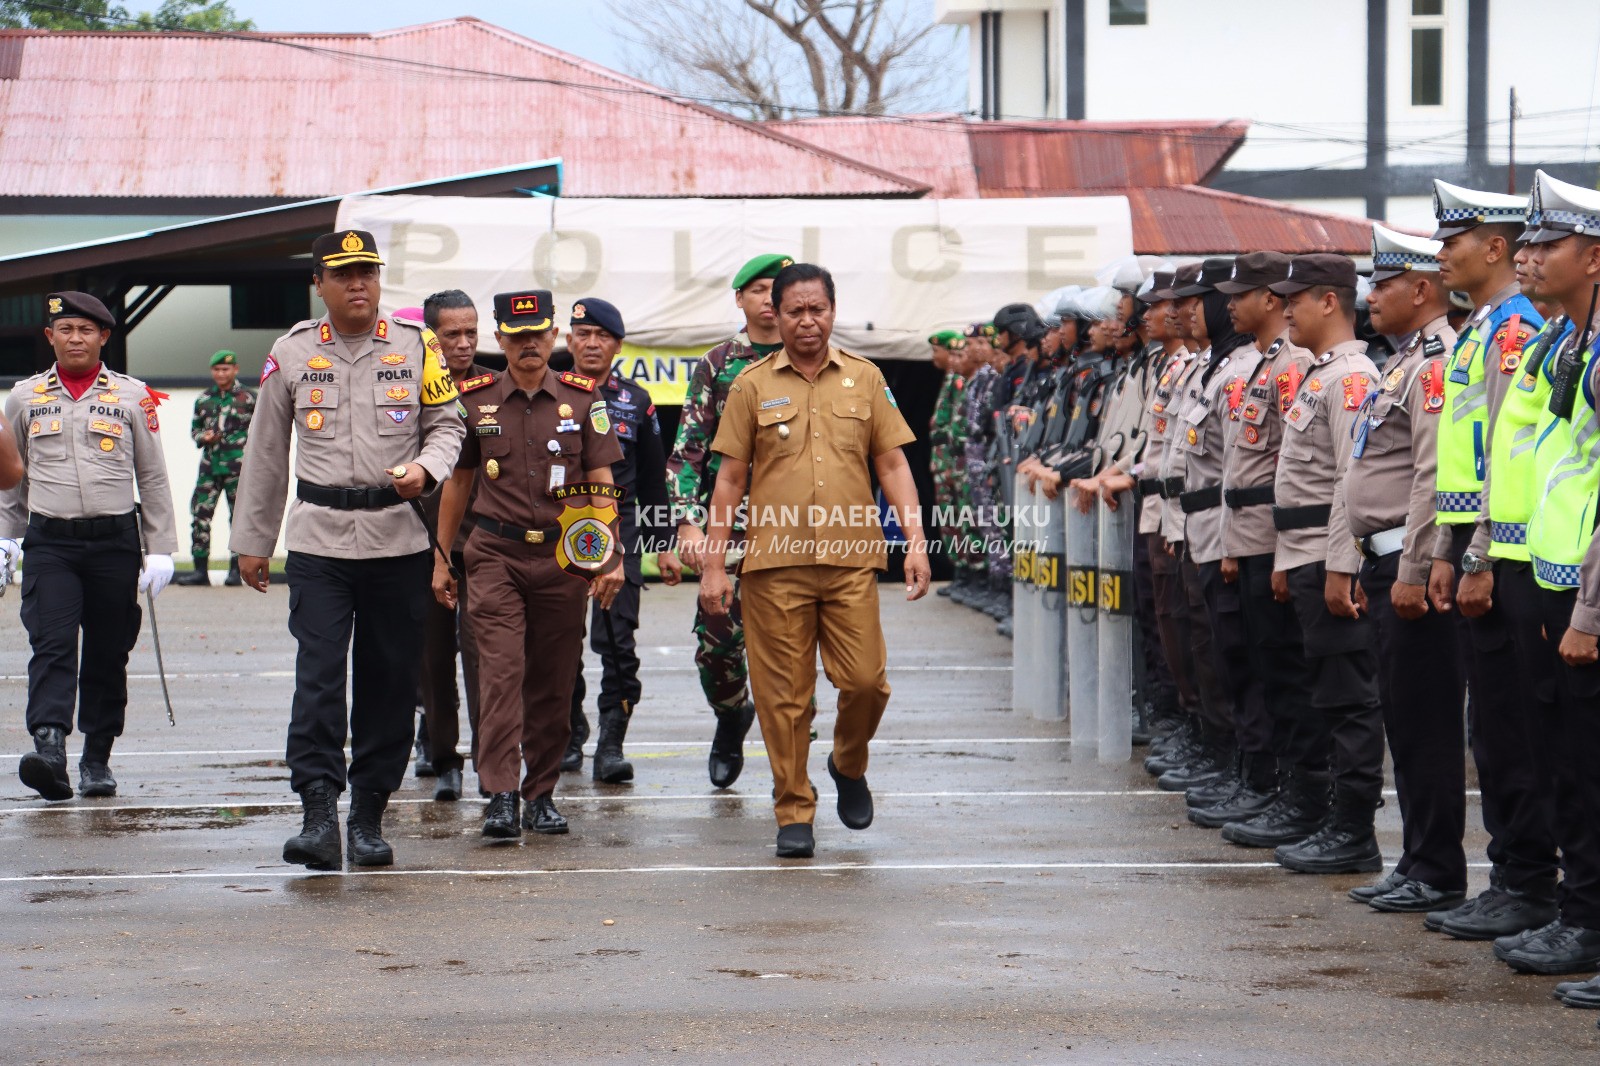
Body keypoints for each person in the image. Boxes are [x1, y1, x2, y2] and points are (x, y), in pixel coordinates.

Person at [231, 230, 467, 870]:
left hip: (397, 539)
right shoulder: (292, 352)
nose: (358, 283)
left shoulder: (417, 349)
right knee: (318, 679)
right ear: (320, 284)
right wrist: (253, 541)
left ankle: (367, 818)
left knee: (390, 681)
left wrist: (427, 466)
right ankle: (316, 815)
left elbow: (450, 425)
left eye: (367, 271)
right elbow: (265, 452)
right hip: (319, 542)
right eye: (343, 274)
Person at [701, 262, 929, 859]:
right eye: (795, 310)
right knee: (784, 697)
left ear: (833, 310)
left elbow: (894, 465)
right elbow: (728, 480)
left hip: (851, 559)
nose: (808, 321)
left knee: (865, 682)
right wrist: (715, 564)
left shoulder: (865, 377)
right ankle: (793, 809)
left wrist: (916, 542)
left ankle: (847, 764)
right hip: (774, 565)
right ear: (775, 314)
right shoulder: (750, 385)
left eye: (818, 309)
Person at [432, 290, 624, 840]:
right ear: (500, 340)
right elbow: (459, 483)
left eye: (538, 334)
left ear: (554, 336)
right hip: (494, 555)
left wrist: (608, 556)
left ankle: (540, 794)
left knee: (553, 678)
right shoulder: (476, 398)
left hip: (565, 557)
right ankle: (500, 794)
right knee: (499, 674)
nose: (529, 345)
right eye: (517, 336)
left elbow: (603, 484)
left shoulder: (583, 400)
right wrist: (443, 560)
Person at [1424, 180, 1558, 942]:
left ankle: (1530, 880)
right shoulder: (1482, 328)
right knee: (1496, 731)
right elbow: (1468, 458)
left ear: (1495, 248)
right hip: (1476, 548)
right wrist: (1451, 548)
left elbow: (1516, 457)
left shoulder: (1516, 329)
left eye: (1454, 241)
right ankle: (1513, 874)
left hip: (1507, 555)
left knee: (1514, 732)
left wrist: (1472, 555)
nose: (1443, 254)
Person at [0, 291, 175, 801]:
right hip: (51, 542)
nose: (75, 338)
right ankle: (50, 748)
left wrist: (161, 546)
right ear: (50, 337)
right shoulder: (24, 397)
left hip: (114, 543)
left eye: (86, 330)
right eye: (66, 330)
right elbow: (9, 479)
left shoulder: (133, 395)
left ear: (104, 337)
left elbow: (154, 476)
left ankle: (97, 756)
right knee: (51, 645)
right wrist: (7, 541)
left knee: (107, 651)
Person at [1339, 225, 1466, 913]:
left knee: (1428, 723)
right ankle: (1419, 858)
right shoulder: (1401, 362)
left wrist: (1416, 567)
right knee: (1406, 722)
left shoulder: (1436, 361)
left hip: (1409, 568)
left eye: (1382, 284)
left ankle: (1439, 868)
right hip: (1384, 562)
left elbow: (1431, 475)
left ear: (1421, 290)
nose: (1370, 297)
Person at [1508, 174, 1600, 977]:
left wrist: (1589, 611)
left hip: (1586, 592)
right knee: (1568, 764)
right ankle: (1582, 917)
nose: (1527, 258)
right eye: (1527, 244)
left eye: (1547, 245)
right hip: (1555, 577)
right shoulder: (1571, 341)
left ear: (1594, 259)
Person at [1265, 253, 1385, 876]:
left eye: (1298, 297)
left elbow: (1350, 482)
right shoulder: (1320, 374)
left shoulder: (1350, 378)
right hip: (1306, 554)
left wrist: (1341, 566)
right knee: (1324, 693)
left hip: (1329, 558)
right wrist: (1289, 559)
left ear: (1331, 302)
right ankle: (1329, 814)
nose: (1286, 308)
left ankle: (1354, 830)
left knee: (1348, 697)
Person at [662, 253, 792, 789]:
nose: (768, 298)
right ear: (740, 299)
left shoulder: (816, 358)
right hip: (730, 528)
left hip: (796, 527)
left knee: (792, 644)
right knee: (718, 642)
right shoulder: (718, 363)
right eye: (758, 289)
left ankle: (794, 769)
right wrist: (687, 525)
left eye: (776, 289)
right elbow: (688, 451)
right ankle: (731, 713)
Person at [1204, 253, 1318, 841]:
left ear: (1270, 299)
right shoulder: (1260, 365)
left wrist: (1281, 552)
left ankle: (1297, 793)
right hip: (1247, 535)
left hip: (1276, 539)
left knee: (1284, 669)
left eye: (1241, 293)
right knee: (1259, 664)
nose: (1228, 303)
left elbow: (1290, 465)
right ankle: (1273, 784)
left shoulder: (1292, 366)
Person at [563, 297, 670, 782]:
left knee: (617, 641)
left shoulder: (636, 400)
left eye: (601, 336)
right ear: (569, 341)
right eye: (582, 335)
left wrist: (663, 541)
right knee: (557, 640)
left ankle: (610, 743)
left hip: (618, 531)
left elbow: (652, 481)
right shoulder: (550, 392)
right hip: (558, 527)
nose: (591, 343)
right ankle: (568, 733)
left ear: (617, 345)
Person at [415, 289, 491, 803]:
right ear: (431, 337)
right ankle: (445, 758)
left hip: (489, 545)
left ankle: (493, 760)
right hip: (425, 544)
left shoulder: (498, 387)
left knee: (489, 659)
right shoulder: (410, 387)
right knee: (433, 661)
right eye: (451, 335)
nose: (463, 345)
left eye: (471, 333)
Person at [173, 349, 253, 587]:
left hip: (238, 467)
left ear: (235, 369)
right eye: (217, 369)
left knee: (239, 519)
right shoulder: (204, 399)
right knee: (200, 516)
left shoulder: (249, 398)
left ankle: (236, 571)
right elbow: (194, 430)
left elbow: (262, 430)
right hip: (210, 467)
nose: (221, 373)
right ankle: (200, 570)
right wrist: (203, 437)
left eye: (225, 369)